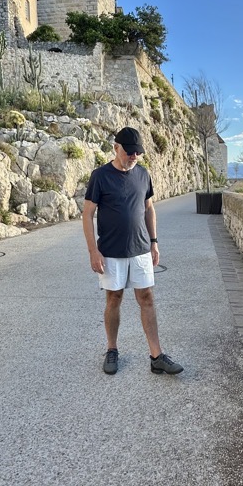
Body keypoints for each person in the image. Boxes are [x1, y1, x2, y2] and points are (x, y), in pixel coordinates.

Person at [82, 126, 183, 377]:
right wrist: (93, 251)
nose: (134, 156)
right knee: (114, 298)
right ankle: (112, 349)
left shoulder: (143, 174)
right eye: (129, 152)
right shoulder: (100, 176)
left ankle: (157, 356)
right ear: (116, 148)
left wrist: (154, 242)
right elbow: (87, 214)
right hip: (111, 251)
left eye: (137, 152)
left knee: (146, 298)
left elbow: (149, 208)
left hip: (140, 249)